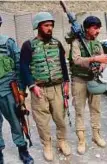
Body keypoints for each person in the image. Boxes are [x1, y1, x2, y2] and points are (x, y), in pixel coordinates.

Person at [20, 12, 70, 161]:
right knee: (42, 121)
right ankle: (47, 145)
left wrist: (66, 82)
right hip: (39, 89)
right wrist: (31, 85)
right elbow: (23, 67)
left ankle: (61, 141)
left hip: (57, 88)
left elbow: (63, 63)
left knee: (60, 117)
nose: (50, 28)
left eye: (51, 25)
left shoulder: (57, 43)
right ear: (38, 27)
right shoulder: (28, 45)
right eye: (46, 25)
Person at [69, 16, 107, 155]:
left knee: (96, 109)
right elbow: (76, 60)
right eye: (95, 28)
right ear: (87, 28)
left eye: (99, 28)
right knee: (79, 110)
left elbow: (104, 59)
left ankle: (96, 135)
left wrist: (102, 64)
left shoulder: (97, 44)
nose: (98, 31)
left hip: (94, 79)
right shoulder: (76, 42)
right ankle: (81, 139)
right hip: (79, 80)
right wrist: (95, 59)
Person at [0, 15, 34, 164]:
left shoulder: (8, 43)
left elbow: (19, 66)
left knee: (16, 121)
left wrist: (20, 90)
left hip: (8, 89)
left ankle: (22, 149)